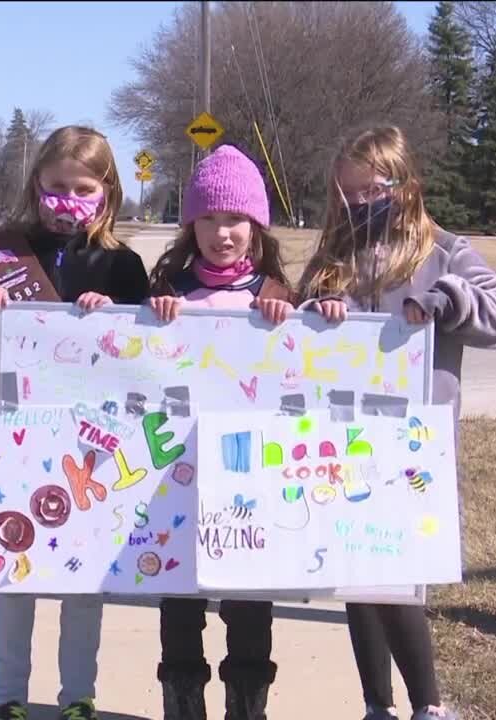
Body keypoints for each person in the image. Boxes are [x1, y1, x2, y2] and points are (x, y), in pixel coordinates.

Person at [297, 125, 496, 720]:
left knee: (397, 581)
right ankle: (377, 705)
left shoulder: (445, 252)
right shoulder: (334, 255)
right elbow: (295, 339)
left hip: (414, 451)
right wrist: (315, 310)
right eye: (348, 193)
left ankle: (428, 706)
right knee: (355, 580)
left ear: (405, 186)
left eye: (372, 190)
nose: (359, 204)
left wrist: (451, 301)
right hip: (340, 444)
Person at [0, 125, 150, 720]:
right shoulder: (1, 251)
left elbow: (149, 344)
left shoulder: (121, 264)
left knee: (83, 583)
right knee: (13, 575)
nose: (67, 199)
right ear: (37, 185)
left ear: (106, 192)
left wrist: (120, 314)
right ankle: (9, 697)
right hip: (16, 434)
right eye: (56, 186)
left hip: (93, 444)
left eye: (83, 188)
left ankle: (77, 695)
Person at [147, 145, 294, 720]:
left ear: (255, 225)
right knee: (180, 599)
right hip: (175, 474)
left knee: (250, 600)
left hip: (251, 478)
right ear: (191, 225)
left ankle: (246, 704)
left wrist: (312, 316)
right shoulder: (171, 291)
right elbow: (134, 365)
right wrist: (148, 315)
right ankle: (182, 702)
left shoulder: (277, 294)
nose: (221, 232)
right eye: (207, 218)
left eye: (234, 219)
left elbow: (311, 370)